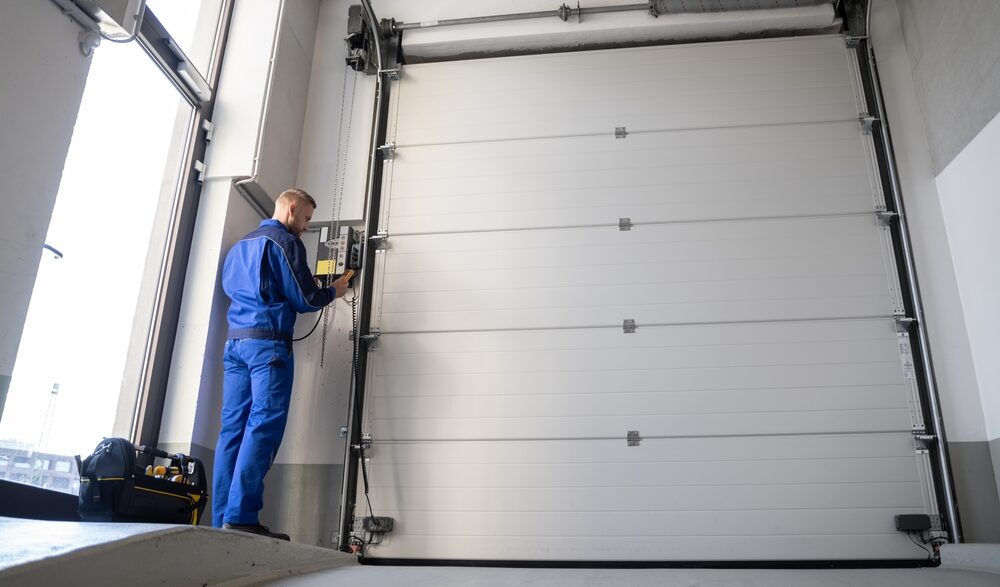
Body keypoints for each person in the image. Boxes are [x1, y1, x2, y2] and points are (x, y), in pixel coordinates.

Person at [213, 188, 352, 540]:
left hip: (234, 344)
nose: (305, 226)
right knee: (263, 426)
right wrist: (335, 289)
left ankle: (221, 523)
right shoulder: (284, 243)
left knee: (232, 431)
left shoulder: (239, 247)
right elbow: (306, 299)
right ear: (291, 209)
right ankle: (242, 517)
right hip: (267, 348)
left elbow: (239, 289)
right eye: (305, 218)